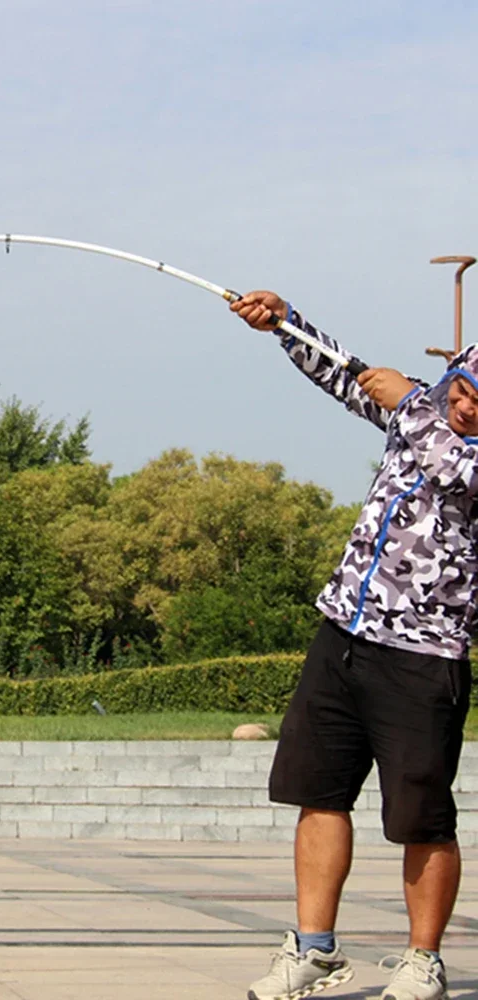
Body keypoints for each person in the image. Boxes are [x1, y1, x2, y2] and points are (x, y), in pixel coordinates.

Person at [230, 291, 478, 1000]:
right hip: (342, 634)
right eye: (461, 391)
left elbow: (457, 468)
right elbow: (347, 374)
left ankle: (421, 961)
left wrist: (410, 405)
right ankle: (313, 950)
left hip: (425, 657)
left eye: (477, 405)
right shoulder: (418, 414)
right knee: (319, 795)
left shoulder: (433, 429)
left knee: (421, 816)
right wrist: (282, 322)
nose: (464, 409)